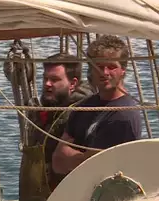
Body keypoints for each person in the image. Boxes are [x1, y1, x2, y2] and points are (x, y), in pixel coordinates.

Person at [12, 53, 94, 201]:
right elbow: (28, 162)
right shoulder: (40, 114)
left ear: (73, 83)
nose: (47, 84)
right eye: (45, 78)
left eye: (55, 80)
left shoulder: (81, 115)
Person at [52, 35, 142, 176]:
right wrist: (83, 157)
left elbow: (99, 167)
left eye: (112, 67)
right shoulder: (83, 108)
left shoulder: (124, 114)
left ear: (123, 70)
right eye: (99, 67)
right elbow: (57, 161)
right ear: (91, 70)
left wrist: (72, 156)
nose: (104, 73)